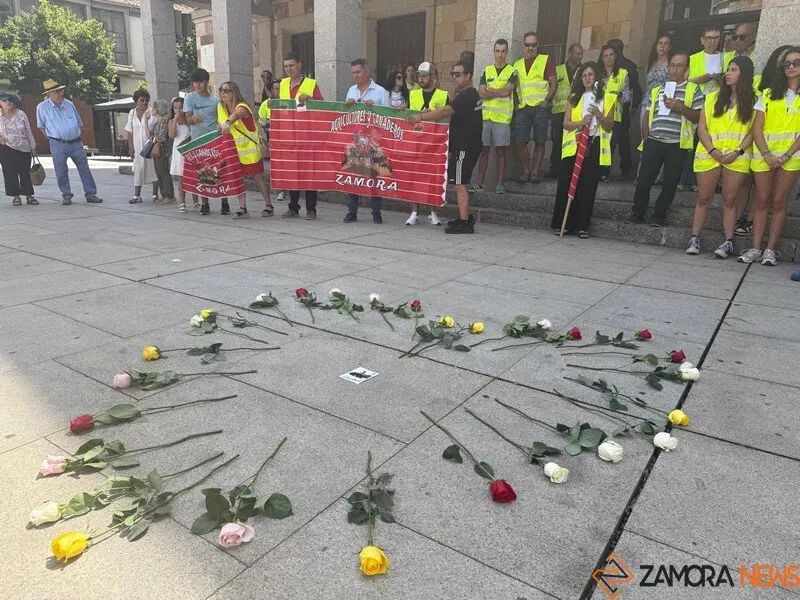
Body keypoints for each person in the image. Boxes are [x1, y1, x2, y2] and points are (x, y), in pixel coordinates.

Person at [686, 56, 755, 259]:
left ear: (744, 73)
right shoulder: (712, 98)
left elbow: (753, 131)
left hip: (737, 156)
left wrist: (737, 151)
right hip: (710, 154)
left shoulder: (753, 100)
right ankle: (694, 237)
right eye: (728, 69)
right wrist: (712, 150)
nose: (728, 73)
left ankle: (728, 241)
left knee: (730, 199)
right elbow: (702, 128)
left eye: (733, 69)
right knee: (703, 197)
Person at [739, 47, 800, 266]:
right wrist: (766, 153)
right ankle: (755, 248)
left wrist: (786, 155)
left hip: (791, 156)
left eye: (796, 63)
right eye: (787, 63)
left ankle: (770, 250)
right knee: (762, 200)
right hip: (764, 155)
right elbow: (756, 127)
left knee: (779, 201)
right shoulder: (767, 93)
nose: (791, 67)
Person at [407, 60, 482, 234]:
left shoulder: (467, 95)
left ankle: (465, 222)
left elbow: (445, 111)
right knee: (458, 182)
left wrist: (420, 117)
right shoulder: (468, 94)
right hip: (464, 146)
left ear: (468, 76)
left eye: (458, 74)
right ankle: (463, 218)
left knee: (459, 183)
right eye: (453, 74)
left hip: (465, 147)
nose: (454, 78)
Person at [631, 51, 703, 225]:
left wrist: (681, 107)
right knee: (643, 181)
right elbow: (647, 116)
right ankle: (637, 213)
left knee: (670, 184)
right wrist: (646, 139)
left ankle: (659, 215)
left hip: (677, 144)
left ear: (686, 69)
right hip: (654, 142)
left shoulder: (693, 90)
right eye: (672, 65)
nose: (674, 69)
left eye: (679, 66)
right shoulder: (657, 90)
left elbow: (699, 117)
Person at [551, 63, 616, 238]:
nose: (587, 78)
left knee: (588, 185)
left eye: (590, 75)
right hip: (574, 144)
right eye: (584, 75)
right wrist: (581, 122)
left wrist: (599, 115)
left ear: (597, 77)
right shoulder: (574, 98)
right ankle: (564, 224)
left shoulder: (607, 98)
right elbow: (566, 123)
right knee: (566, 184)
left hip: (593, 144)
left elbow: (609, 125)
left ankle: (582, 226)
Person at [35, 79, 102, 205]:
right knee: (61, 171)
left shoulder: (69, 104)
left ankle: (91, 194)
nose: (61, 93)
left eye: (61, 91)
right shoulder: (42, 107)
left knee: (84, 169)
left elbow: (79, 122)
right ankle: (66, 195)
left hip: (76, 143)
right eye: (57, 92)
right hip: (58, 144)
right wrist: (51, 138)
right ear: (48, 94)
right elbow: (41, 126)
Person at [275, 52, 324, 220]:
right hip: (289, 135)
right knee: (292, 171)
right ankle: (293, 207)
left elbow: (322, 107)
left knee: (309, 172)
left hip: (307, 136)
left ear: (299, 65)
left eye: (291, 65)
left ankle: (311, 209)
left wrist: (310, 99)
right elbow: (281, 108)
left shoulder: (310, 83)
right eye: (286, 66)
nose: (289, 69)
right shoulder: (283, 84)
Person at [217, 81, 272, 219]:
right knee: (238, 177)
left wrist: (227, 123)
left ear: (234, 92)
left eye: (226, 90)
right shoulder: (220, 107)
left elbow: (237, 114)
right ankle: (243, 208)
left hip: (249, 149)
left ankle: (268, 205)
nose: (223, 93)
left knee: (258, 177)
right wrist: (221, 127)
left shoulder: (242, 106)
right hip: (233, 149)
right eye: (221, 90)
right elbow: (222, 125)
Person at [343, 58, 389, 224]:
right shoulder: (351, 90)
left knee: (374, 176)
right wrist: (347, 106)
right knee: (353, 175)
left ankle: (376, 212)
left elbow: (389, 117)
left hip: (374, 143)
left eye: (358, 72)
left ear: (367, 71)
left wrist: (375, 109)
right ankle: (352, 211)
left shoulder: (380, 92)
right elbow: (345, 116)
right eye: (353, 73)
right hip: (355, 141)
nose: (355, 75)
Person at [406, 61, 449, 226]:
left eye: (424, 76)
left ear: (433, 77)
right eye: (419, 76)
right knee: (414, 177)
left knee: (433, 178)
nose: (421, 79)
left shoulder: (443, 95)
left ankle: (432, 212)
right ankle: (414, 212)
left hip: (435, 144)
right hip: (416, 142)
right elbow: (407, 117)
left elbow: (448, 117)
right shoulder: (413, 94)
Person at [473, 39, 517, 194]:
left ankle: (500, 185)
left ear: (507, 52)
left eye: (503, 51)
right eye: (497, 51)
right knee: (483, 151)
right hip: (486, 118)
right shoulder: (487, 70)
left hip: (502, 120)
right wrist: (498, 91)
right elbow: (481, 92)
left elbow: (507, 92)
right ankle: (479, 183)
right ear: (494, 51)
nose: (500, 54)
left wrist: (490, 90)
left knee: (500, 152)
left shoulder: (512, 71)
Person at [513, 31, 557, 184]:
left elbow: (553, 82)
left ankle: (535, 172)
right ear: (523, 46)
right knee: (520, 141)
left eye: (533, 45)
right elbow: (513, 87)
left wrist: (547, 100)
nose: (530, 48)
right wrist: (516, 105)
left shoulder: (545, 60)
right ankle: (526, 170)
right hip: (523, 107)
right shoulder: (516, 64)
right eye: (527, 45)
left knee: (540, 140)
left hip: (540, 106)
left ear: (537, 46)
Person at [184, 68, 226, 216]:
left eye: (201, 81)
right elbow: (187, 119)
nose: (197, 84)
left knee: (219, 171)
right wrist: (193, 119)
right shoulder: (189, 98)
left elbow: (221, 119)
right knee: (202, 173)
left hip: (214, 140)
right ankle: (205, 203)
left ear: (207, 82)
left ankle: (224, 201)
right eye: (195, 82)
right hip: (198, 142)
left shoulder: (216, 100)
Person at [547, 43, 583, 179]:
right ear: (570, 53)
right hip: (559, 111)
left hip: (575, 111)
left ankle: (570, 168)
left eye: (581, 54)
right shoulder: (558, 70)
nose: (580, 56)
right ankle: (555, 168)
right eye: (578, 53)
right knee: (557, 140)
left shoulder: (583, 71)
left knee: (574, 141)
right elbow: (550, 87)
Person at [607, 39, 642, 180]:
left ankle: (624, 169)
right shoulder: (604, 66)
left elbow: (635, 88)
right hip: (610, 109)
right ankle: (622, 169)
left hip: (621, 108)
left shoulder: (628, 67)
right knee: (619, 141)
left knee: (621, 140)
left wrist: (634, 105)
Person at [598, 45, 630, 182]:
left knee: (610, 145)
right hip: (598, 114)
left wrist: (619, 95)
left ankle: (604, 173)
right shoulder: (597, 74)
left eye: (611, 55)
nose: (608, 58)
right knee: (597, 143)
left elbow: (628, 97)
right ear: (602, 58)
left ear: (615, 56)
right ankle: (595, 172)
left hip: (615, 116)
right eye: (605, 56)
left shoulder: (623, 73)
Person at [0, 91, 38, 206]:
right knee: (10, 173)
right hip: (6, 148)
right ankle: (15, 196)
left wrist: (33, 147)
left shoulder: (21, 114)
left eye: (11, 100)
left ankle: (29, 195)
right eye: (5, 100)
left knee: (25, 173)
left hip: (24, 148)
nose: (8, 102)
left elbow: (28, 131)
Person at [124, 89, 157, 203]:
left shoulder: (151, 112)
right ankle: (137, 196)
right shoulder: (132, 113)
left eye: (146, 101)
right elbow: (129, 130)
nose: (144, 103)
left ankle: (155, 195)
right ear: (136, 101)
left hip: (150, 147)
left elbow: (155, 129)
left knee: (153, 170)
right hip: (137, 148)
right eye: (142, 100)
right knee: (138, 170)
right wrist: (131, 147)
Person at [169, 96, 193, 213]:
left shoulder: (189, 121)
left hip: (190, 151)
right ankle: (182, 203)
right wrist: (175, 120)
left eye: (181, 108)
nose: (178, 110)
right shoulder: (171, 121)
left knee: (193, 177)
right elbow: (172, 135)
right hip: (179, 152)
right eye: (175, 108)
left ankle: (196, 202)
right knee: (182, 179)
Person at [148, 99, 174, 204]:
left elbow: (161, 137)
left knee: (164, 172)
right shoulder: (157, 121)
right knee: (159, 173)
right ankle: (164, 194)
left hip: (163, 150)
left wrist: (154, 138)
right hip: (157, 149)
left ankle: (169, 195)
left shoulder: (165, 121)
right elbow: (151, 133)